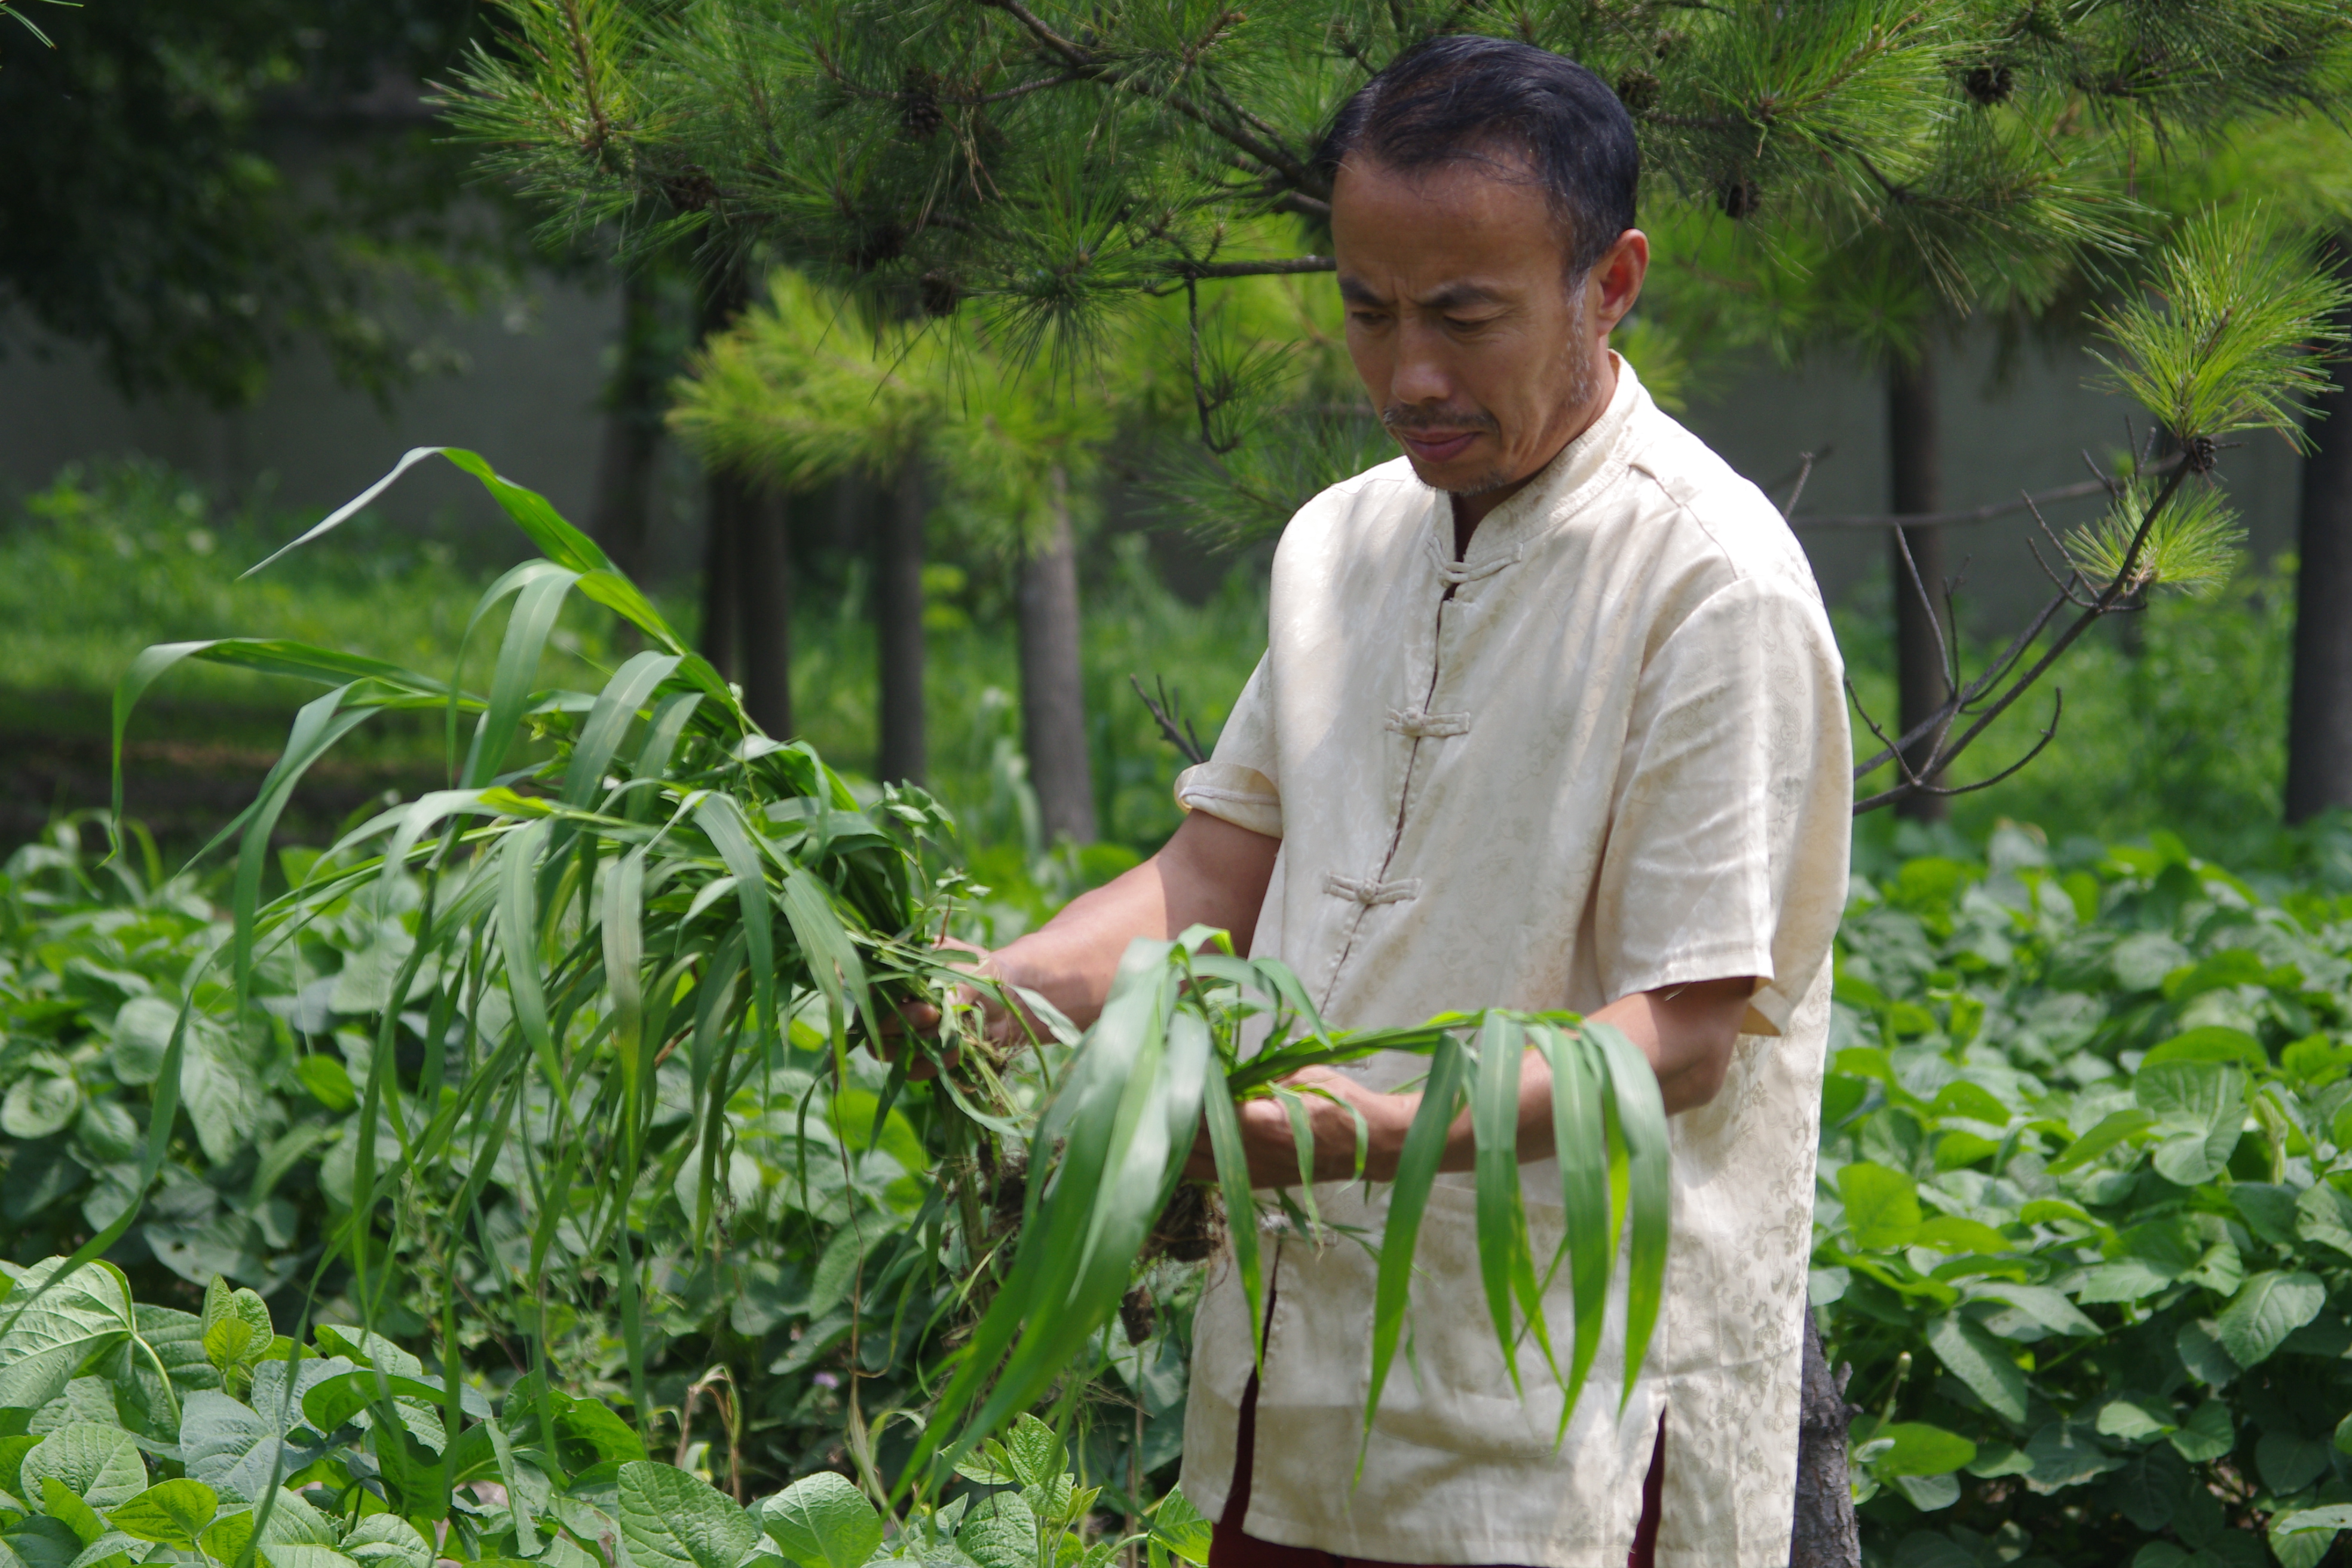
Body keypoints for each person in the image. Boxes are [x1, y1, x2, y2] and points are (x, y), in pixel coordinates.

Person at [910, 35, 1851, 1568]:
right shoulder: (1339, 544)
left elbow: (1679, 1036)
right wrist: (998, 994)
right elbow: (1215, 869)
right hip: (1296, 1384)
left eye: (1464, 317)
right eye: (1366, 310)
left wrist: (1360, 1135)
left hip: (1562, 1412)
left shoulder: (1709, 583)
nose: (1409, 374)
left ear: (1609, 283)